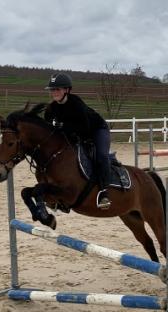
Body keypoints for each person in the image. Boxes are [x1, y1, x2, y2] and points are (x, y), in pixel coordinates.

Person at [44, 73, 112, 210]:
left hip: (96, 130)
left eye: (58, 89)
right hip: (76, 134)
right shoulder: (51, 109)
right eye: (52, 90)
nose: (54, 92)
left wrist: (63, 127)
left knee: (102, 156)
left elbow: (85, 128)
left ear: (67, 90)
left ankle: (104, 192)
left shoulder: (76, 103)